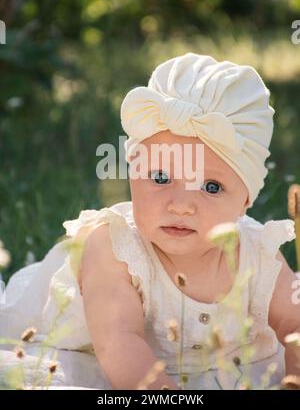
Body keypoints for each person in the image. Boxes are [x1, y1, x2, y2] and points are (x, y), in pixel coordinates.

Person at [0, 53, 299, 390]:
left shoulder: (257, 253)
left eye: (211, 187)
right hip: (100, 361)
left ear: (246, 201)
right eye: (160, 177)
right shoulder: (114, 247)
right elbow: (117, 341)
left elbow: (294, 322)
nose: (181, 205)